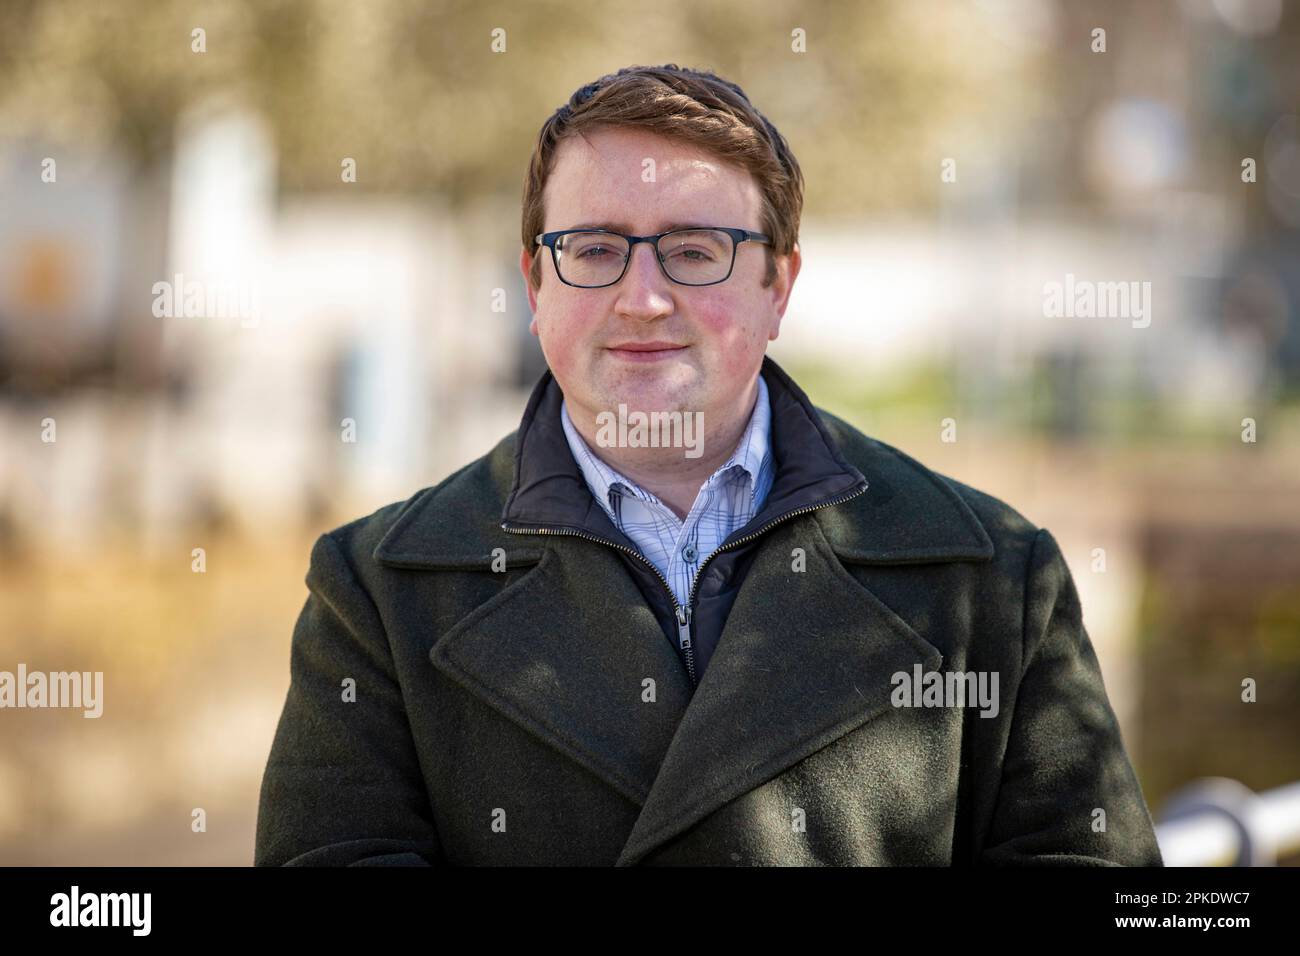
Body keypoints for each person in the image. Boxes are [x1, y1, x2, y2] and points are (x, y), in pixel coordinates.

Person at [254, 64, 1164, 866]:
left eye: (695, 252)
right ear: (536, 286)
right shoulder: (375, 592)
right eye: (595, 250)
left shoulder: (994, 579)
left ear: (780, 287)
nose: (642, 299)